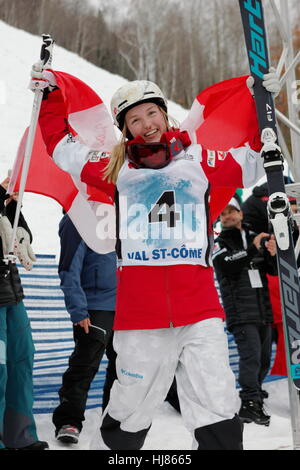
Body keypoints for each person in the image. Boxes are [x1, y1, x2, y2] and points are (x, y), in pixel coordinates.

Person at [32, 65, 280, 450]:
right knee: (131, 406)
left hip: (199, 311)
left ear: (164, 113)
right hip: (140, 317)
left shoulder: (199, 159)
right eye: (134, 119)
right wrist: (50, 96)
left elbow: (252, 158)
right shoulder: (116, 168)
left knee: (216, 400)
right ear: (125, 129)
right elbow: (62, 149)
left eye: (151, 113)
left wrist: (262, 102)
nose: (145, 124)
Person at [212, 195, 277, 426]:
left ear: (240, 214)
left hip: (262, 310)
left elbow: (273, 271)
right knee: (251, 358)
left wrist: (272, 253)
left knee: (263, 359)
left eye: (232, 211)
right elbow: (226, 264)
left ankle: (255, 395)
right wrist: (252, 249)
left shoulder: (253, 236)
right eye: (223, 213)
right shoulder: (219, 241)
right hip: (240, 312)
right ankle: (249, 403)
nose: (228, 216)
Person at [53, 213, 117, 444]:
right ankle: (68, 421)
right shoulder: (76, 219)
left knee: (122, 370)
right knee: (83, 366)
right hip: (94, 307)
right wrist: (78, 309)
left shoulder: (122, 214)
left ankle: (114, 422)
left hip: (125, 307)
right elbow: (68, 267)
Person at [0, 175, 48, 450]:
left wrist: (11, 208)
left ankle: (21, 436)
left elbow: (17, 232)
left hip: (12, 294)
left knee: (21, 363)